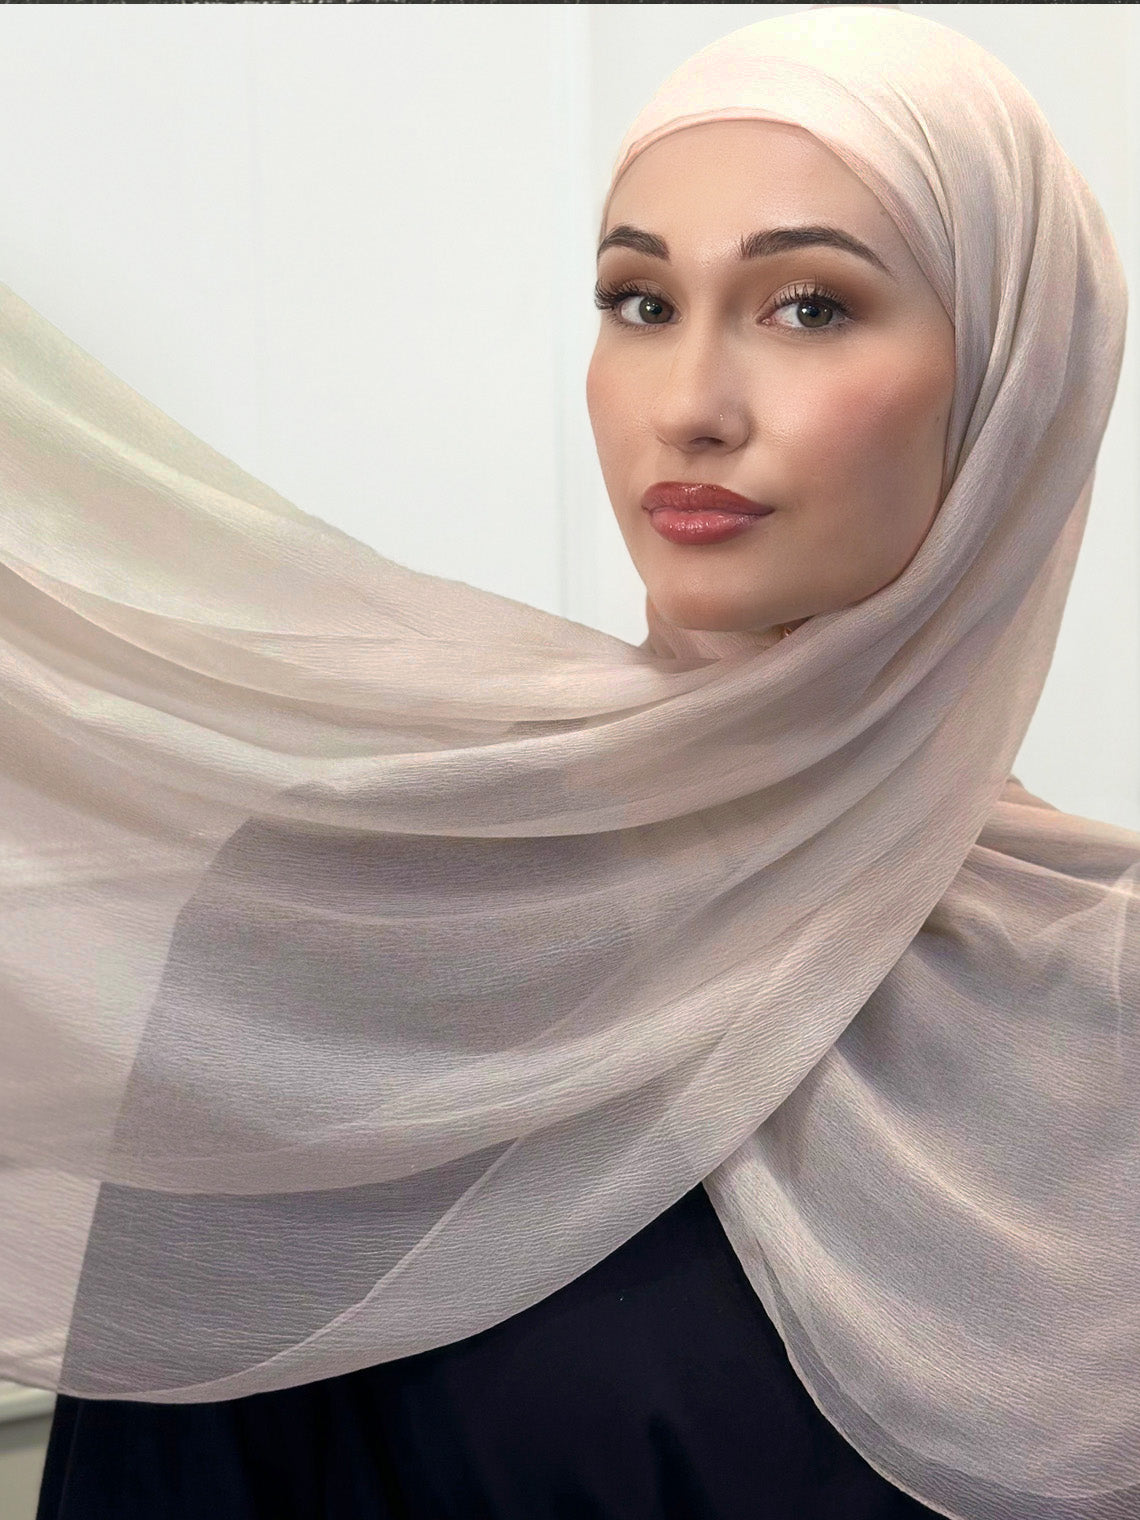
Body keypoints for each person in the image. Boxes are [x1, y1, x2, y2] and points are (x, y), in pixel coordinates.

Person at [6, 7, 1135, 1519]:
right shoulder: (361, 924)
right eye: (640, 301)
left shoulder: (1103, 979)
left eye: (809, 307)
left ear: (1012, 383)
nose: (691, 405)